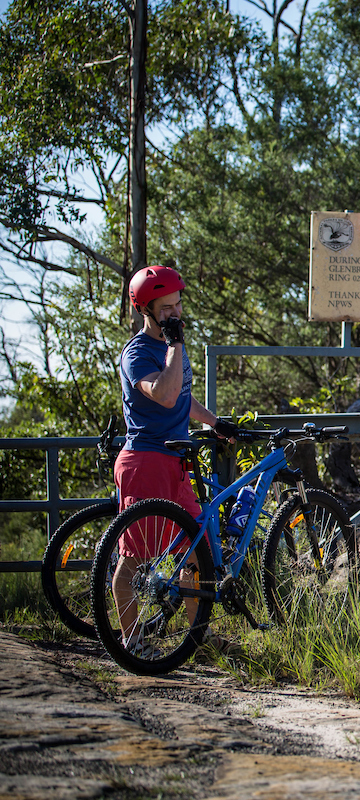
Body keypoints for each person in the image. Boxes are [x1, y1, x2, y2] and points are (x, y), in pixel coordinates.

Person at [111, 264, 239, 656]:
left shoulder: (172, 346)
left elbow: (181, 398)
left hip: (174, 462)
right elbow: (164, 395)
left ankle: (198, 635)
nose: (175, 313)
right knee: (134, 559)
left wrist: (216, 422)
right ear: (145, 310)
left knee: (193, 549)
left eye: (177, 304)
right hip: (145, 461)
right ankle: (133, 641)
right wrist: (175, 344)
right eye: (165, 307)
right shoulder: (138, 354)